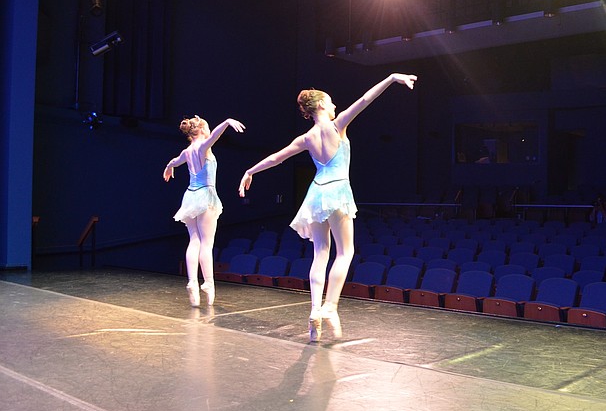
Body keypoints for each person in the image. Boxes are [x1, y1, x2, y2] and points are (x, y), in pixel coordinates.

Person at [238, 73, 417, 341]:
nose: (335, 106)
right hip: (336, 190)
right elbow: (366, 99)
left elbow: (277, 158)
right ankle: (330, 307)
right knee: (345, 252)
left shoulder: (306, 138)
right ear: (321, 105)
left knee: (320, 252)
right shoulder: (337, 126)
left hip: (316, 193)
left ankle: (314, 312)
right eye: (331, 103)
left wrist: (250, 171)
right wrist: (392, 78)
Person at [164, 115, 246, 307]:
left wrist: (169, 167)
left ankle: (192, 281)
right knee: (207, 244)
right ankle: (208, 283)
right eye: (207, 127)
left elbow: (174, 161)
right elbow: (213, 137)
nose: (209, 130)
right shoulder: (202, 147)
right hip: (205, 195)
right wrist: (226, 122)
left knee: (194, 240)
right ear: (201, 130)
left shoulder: (187, 151)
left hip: (190, 195)